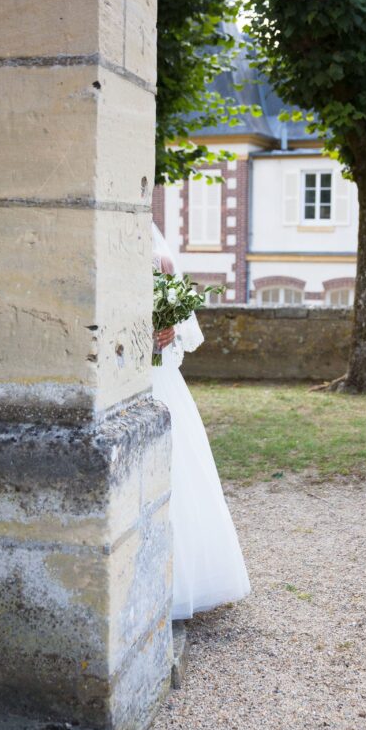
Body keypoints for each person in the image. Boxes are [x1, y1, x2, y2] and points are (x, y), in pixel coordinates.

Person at [151, 223, 250, 620]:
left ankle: (180, 582)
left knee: (177, 469)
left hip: (156, 376)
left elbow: (183, 333)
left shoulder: (162, 262)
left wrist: (168, 330)